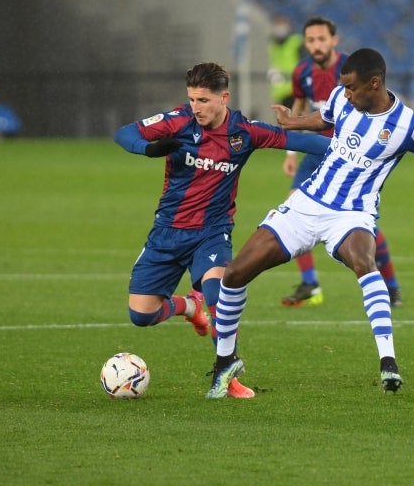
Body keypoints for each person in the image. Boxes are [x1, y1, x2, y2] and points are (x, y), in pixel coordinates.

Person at [207, 48, 414, 399]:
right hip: (307, 204)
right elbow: (326, 119)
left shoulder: (409, 126)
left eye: (352, 89)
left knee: (365, 264)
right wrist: (294, 121)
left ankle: (388, 362)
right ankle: (225, 362)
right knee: (234, 274)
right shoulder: (342, 98)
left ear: (375, 83)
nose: (346, 95)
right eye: (344, 89)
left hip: (353, 214)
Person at [114, 62, 330, 399]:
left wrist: (353, 150)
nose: (196, 107)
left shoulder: (244, 132)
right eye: (192, 99)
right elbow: (125, 133)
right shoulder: (178, 121)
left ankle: (227, 376)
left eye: (203, 100)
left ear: (223, 98)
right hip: (167, 232)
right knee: (141, 315)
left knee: (219, 293)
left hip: (212, 232)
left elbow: (297, 140)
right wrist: (150, 148)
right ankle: (189, 307)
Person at [280, 16, 404, 308]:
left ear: (334, 41)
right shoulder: (302, 71)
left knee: (361, 222)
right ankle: (310, 283)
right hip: (315, 149)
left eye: (322, 39)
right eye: (311, 40)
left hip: (348, 152)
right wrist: (290, 153)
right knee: (293, 207)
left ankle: (391, 285)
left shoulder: (350, 68)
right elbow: (299, 104)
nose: (316, 45)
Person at [267, 14, 304, 109]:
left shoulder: (296, 42)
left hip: (295, 91)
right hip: (280, 91)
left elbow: (306, 64)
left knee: (296, 120)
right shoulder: (273, 44)